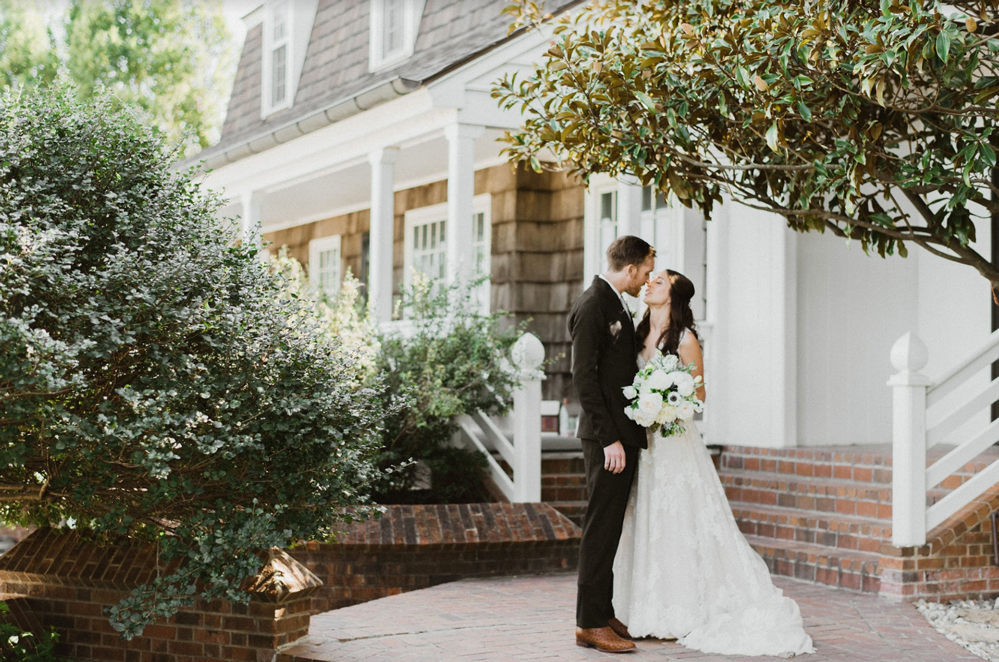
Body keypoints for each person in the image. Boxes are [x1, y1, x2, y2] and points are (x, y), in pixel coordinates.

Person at [612, 269, 815, 657]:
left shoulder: (685, 340)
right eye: (650, 279)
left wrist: (667, 406)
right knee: (646, 517)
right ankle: (641, 607)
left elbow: (697, 396)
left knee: (679, 519)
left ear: (674, 295)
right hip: (644, 444)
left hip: (673, 443)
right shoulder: (637, 334)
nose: (651, 284)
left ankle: (683, 607)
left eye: (660, 282)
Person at [568, 235, 655, 653]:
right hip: (607, 439)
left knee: (612, 525)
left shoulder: (617, 301)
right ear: (631, 268)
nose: (648, 278)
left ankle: (602, 611)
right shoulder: (592, 305)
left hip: (621, 435)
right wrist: (610, 440)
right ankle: (588, 622)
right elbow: (584, 378)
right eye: (646, 270)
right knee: (600, 527)